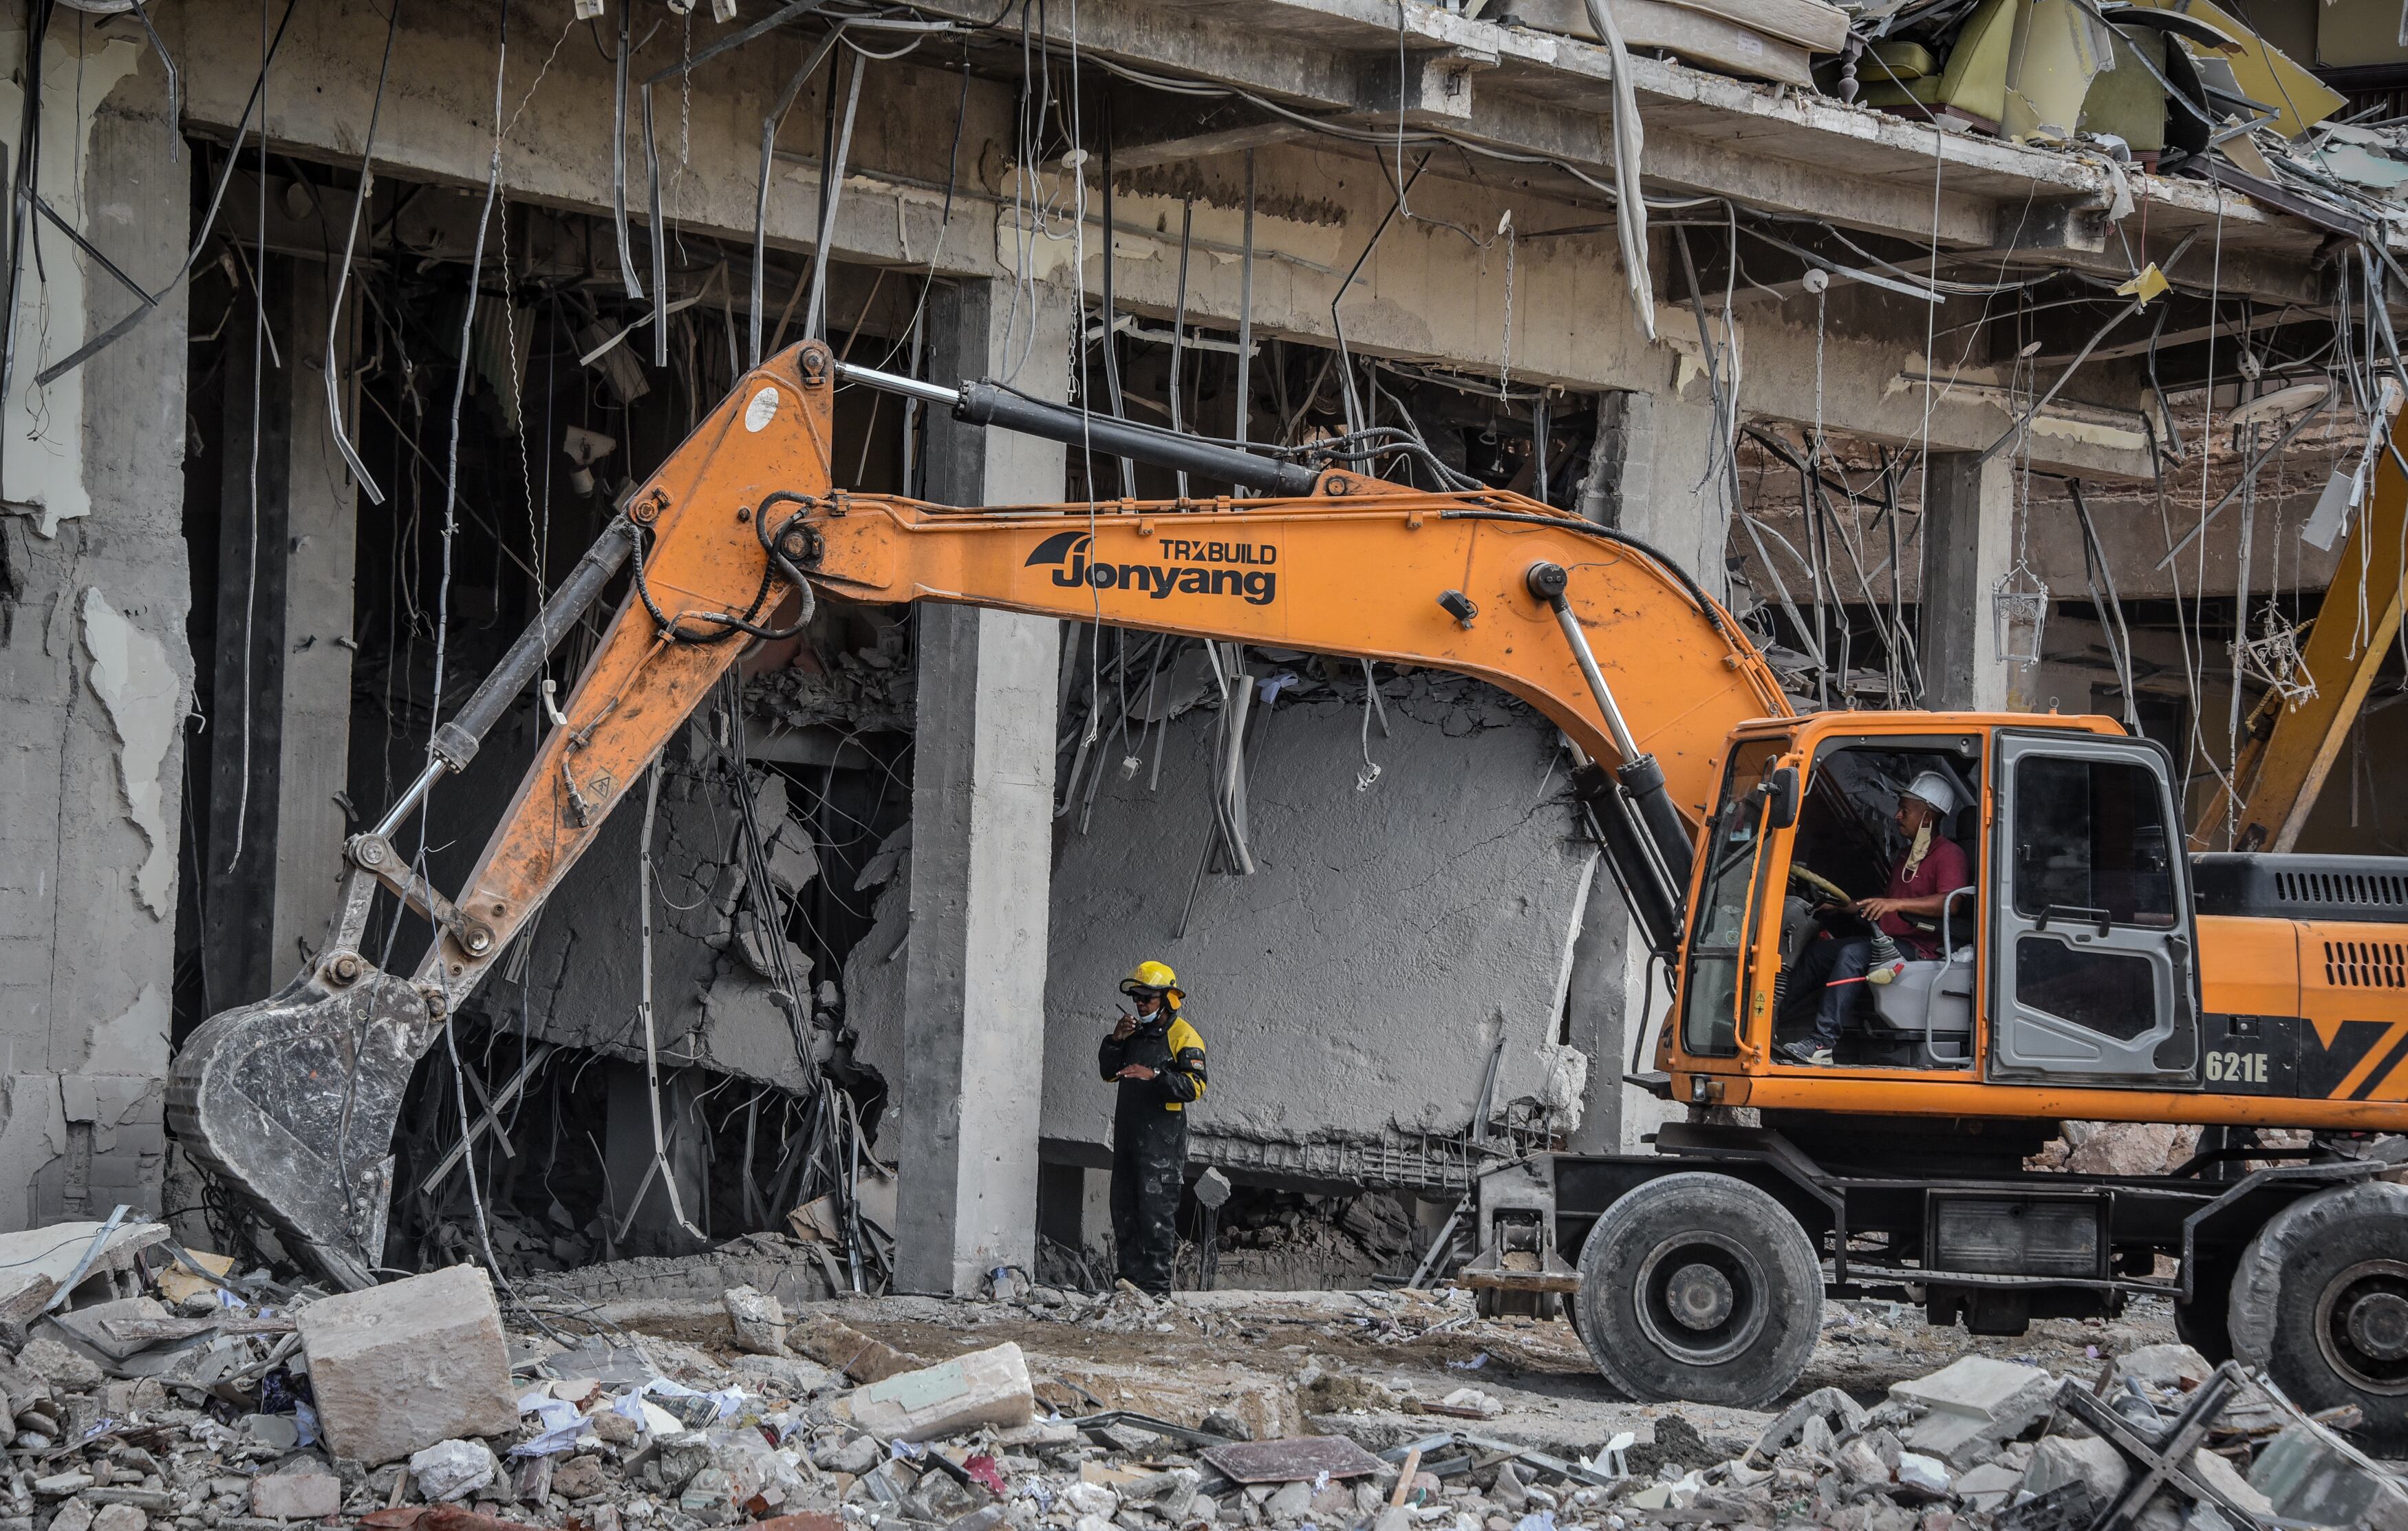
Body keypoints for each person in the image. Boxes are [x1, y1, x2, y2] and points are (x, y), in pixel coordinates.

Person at [1780, 771, 1970, 1067]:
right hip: (1887, 940)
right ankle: (1770, 1021)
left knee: (1851, 955)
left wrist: (1894, 903)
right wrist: (1846, 907)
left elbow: (1953, 902)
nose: (1897, 816)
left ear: (1928, 819)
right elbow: (1884, 903)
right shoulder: (1906, 856)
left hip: (1918, 947)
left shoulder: (1950, 855)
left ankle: (1822, 1042)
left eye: (1905, 810)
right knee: (1818, 954)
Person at [1096, 960, 1209, 1294]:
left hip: (1162, 1151)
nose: (1140, 1004)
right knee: (1125, 1214)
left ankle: (1157, 1295)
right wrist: (1116, 1040)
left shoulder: (1184, 1036)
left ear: (1167, 999)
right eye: (1137, 998)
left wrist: (1156, 1075)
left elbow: (1196, 1086)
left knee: (1155, 1221)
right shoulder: (1134, 1035)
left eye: (1147, 997)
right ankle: (1128, 1289)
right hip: (1129, 1144)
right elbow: (1108, 1073)